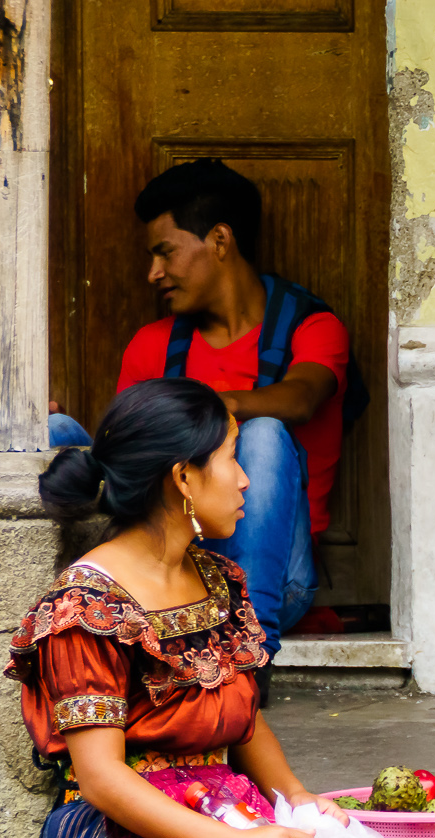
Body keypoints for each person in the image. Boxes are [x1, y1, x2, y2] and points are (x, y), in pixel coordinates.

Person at [7, 378, 383, 838]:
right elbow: (101, 779)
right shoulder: (86, 606)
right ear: (183, 478)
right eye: (231, 458)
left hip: (231, 813)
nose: (244, 480)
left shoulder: (220, 579)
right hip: (136, 837)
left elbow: (244, 721)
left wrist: (301, 800)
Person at [108, 158, 362, 657]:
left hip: (276, 583)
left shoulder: (310, 327)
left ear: (220, 241)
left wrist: (206, 409)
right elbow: (120, 454)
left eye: (165, 252)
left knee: (265, 431)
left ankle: (252, 648)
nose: (153, 273)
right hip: (173, 577)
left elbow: (302, 397)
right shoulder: (151, 345)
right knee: (55, 431)